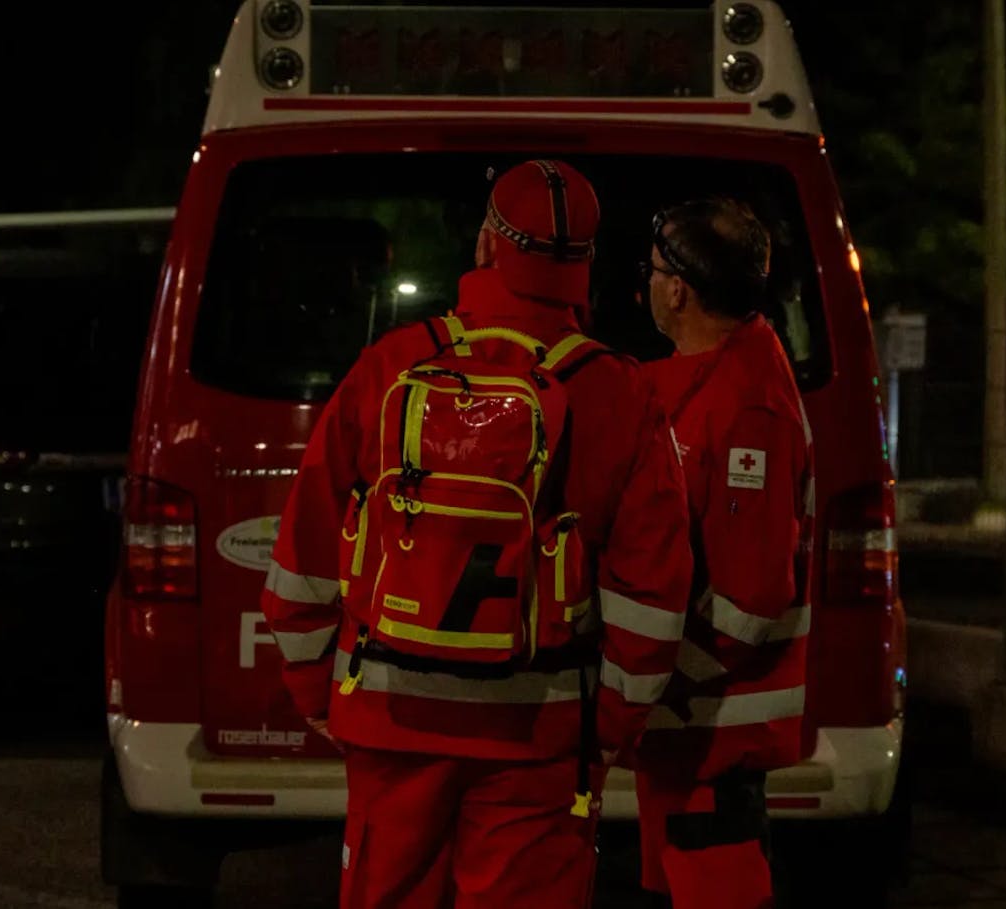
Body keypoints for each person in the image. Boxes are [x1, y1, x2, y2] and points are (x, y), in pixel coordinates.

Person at [263, 159, 693, 909]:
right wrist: (609, 726)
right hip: (540, 734)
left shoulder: (393, 364)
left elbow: (302, 554)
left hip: (391, 721)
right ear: (584, 264)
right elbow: (652, 592)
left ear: (489, 247)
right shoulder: (618, 391)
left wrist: (317, 693)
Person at [630, 197, 816, 909]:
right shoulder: (712, 380)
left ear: (678, 288)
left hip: (715, 734)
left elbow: (751, 600)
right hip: (685, 732)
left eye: (650, 271)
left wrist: (654, 674)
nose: (644, 285)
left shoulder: (750, 407)